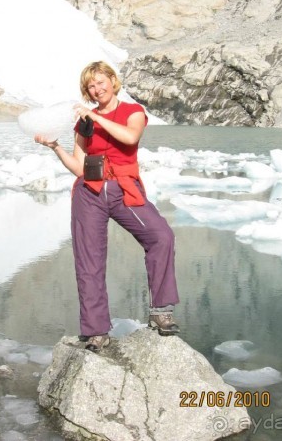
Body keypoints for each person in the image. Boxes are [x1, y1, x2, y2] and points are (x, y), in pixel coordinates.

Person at [35, 61, 179, 352]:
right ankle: (95, 330)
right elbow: (79, 167)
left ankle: (160, 312)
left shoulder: (132, 112)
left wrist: (96, 118)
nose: (97, 89)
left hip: (124, 189)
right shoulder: (84, 123)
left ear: (113, 81)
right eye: (91, 85)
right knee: (89, 261)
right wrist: (56, 147)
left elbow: (130, 137)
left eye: (101, 82)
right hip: (89, 192)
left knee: (161, 236)